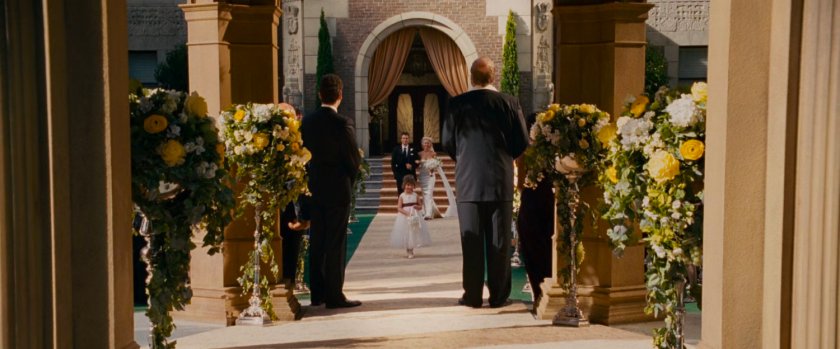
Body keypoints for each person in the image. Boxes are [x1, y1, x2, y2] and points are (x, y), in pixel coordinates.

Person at [442, 57, 528, 308]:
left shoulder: (457, 104)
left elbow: (447, 142)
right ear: (493, 76)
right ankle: (499, 296)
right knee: (500, 242)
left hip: (468, 182)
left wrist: (466, 158)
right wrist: (504, 157)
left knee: (471, 242)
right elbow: (521, 142)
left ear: (471, 78)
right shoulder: (509, 103)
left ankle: (472, 296)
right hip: (500, 180)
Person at [300, 73, 362, 309]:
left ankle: (317, 293)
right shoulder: (342, 123)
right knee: (335, 243)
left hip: (313, 189)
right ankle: (334, 295)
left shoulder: (307, 122)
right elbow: (352, 160)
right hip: (337, 190)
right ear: (340, 95)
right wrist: (350, 180)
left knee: (317, 240)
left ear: (319, 95)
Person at [515, 112, 554, 305]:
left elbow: (521, 184)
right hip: (550, 203)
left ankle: (538, 295)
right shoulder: (555, 153)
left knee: (532, 252)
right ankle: (549, 291)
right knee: (549, 249)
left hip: (531, 204)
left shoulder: (525, 153)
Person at [389, 175, 432, 259]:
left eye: (411, 185)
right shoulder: (402, 196)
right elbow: (399, 208)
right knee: (406, 232)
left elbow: (420, 206)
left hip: (415, 216)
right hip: (405, 217)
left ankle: (411, 249)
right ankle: (408, 249)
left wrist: (417, 207)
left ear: (414, 185)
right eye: (407, 185)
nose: (409, 187)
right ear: (404, 185)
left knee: (413, 232)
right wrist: (407, 213)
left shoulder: (415, 195)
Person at [417, 136, 457, 219]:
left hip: (431, 176)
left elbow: (437, 164)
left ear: (430, 144)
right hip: (422, 176)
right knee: (424, 194)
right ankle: (426, 211)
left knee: (429, 193)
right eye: (425, 143)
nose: (426, 144)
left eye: (428, 143)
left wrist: (433, 167)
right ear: (422, 144)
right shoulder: (419, 154)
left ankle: (428, 213)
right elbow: (417, 165)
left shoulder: (433, 154)